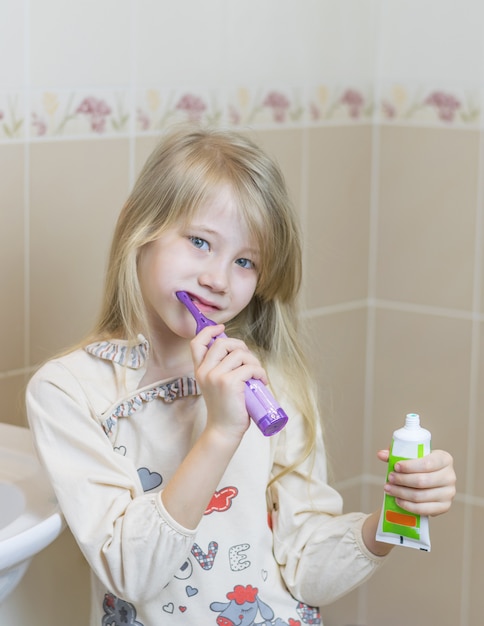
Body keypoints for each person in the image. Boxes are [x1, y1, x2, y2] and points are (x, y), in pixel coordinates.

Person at [26, 126, 456, 626]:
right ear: (135, 226)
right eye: (200, 241)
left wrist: (392, 519)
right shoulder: (70, 392)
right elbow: (132, 573)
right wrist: (221, 431)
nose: (218, 279)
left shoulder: (270, 383)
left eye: (245, 260)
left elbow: (305, 568)